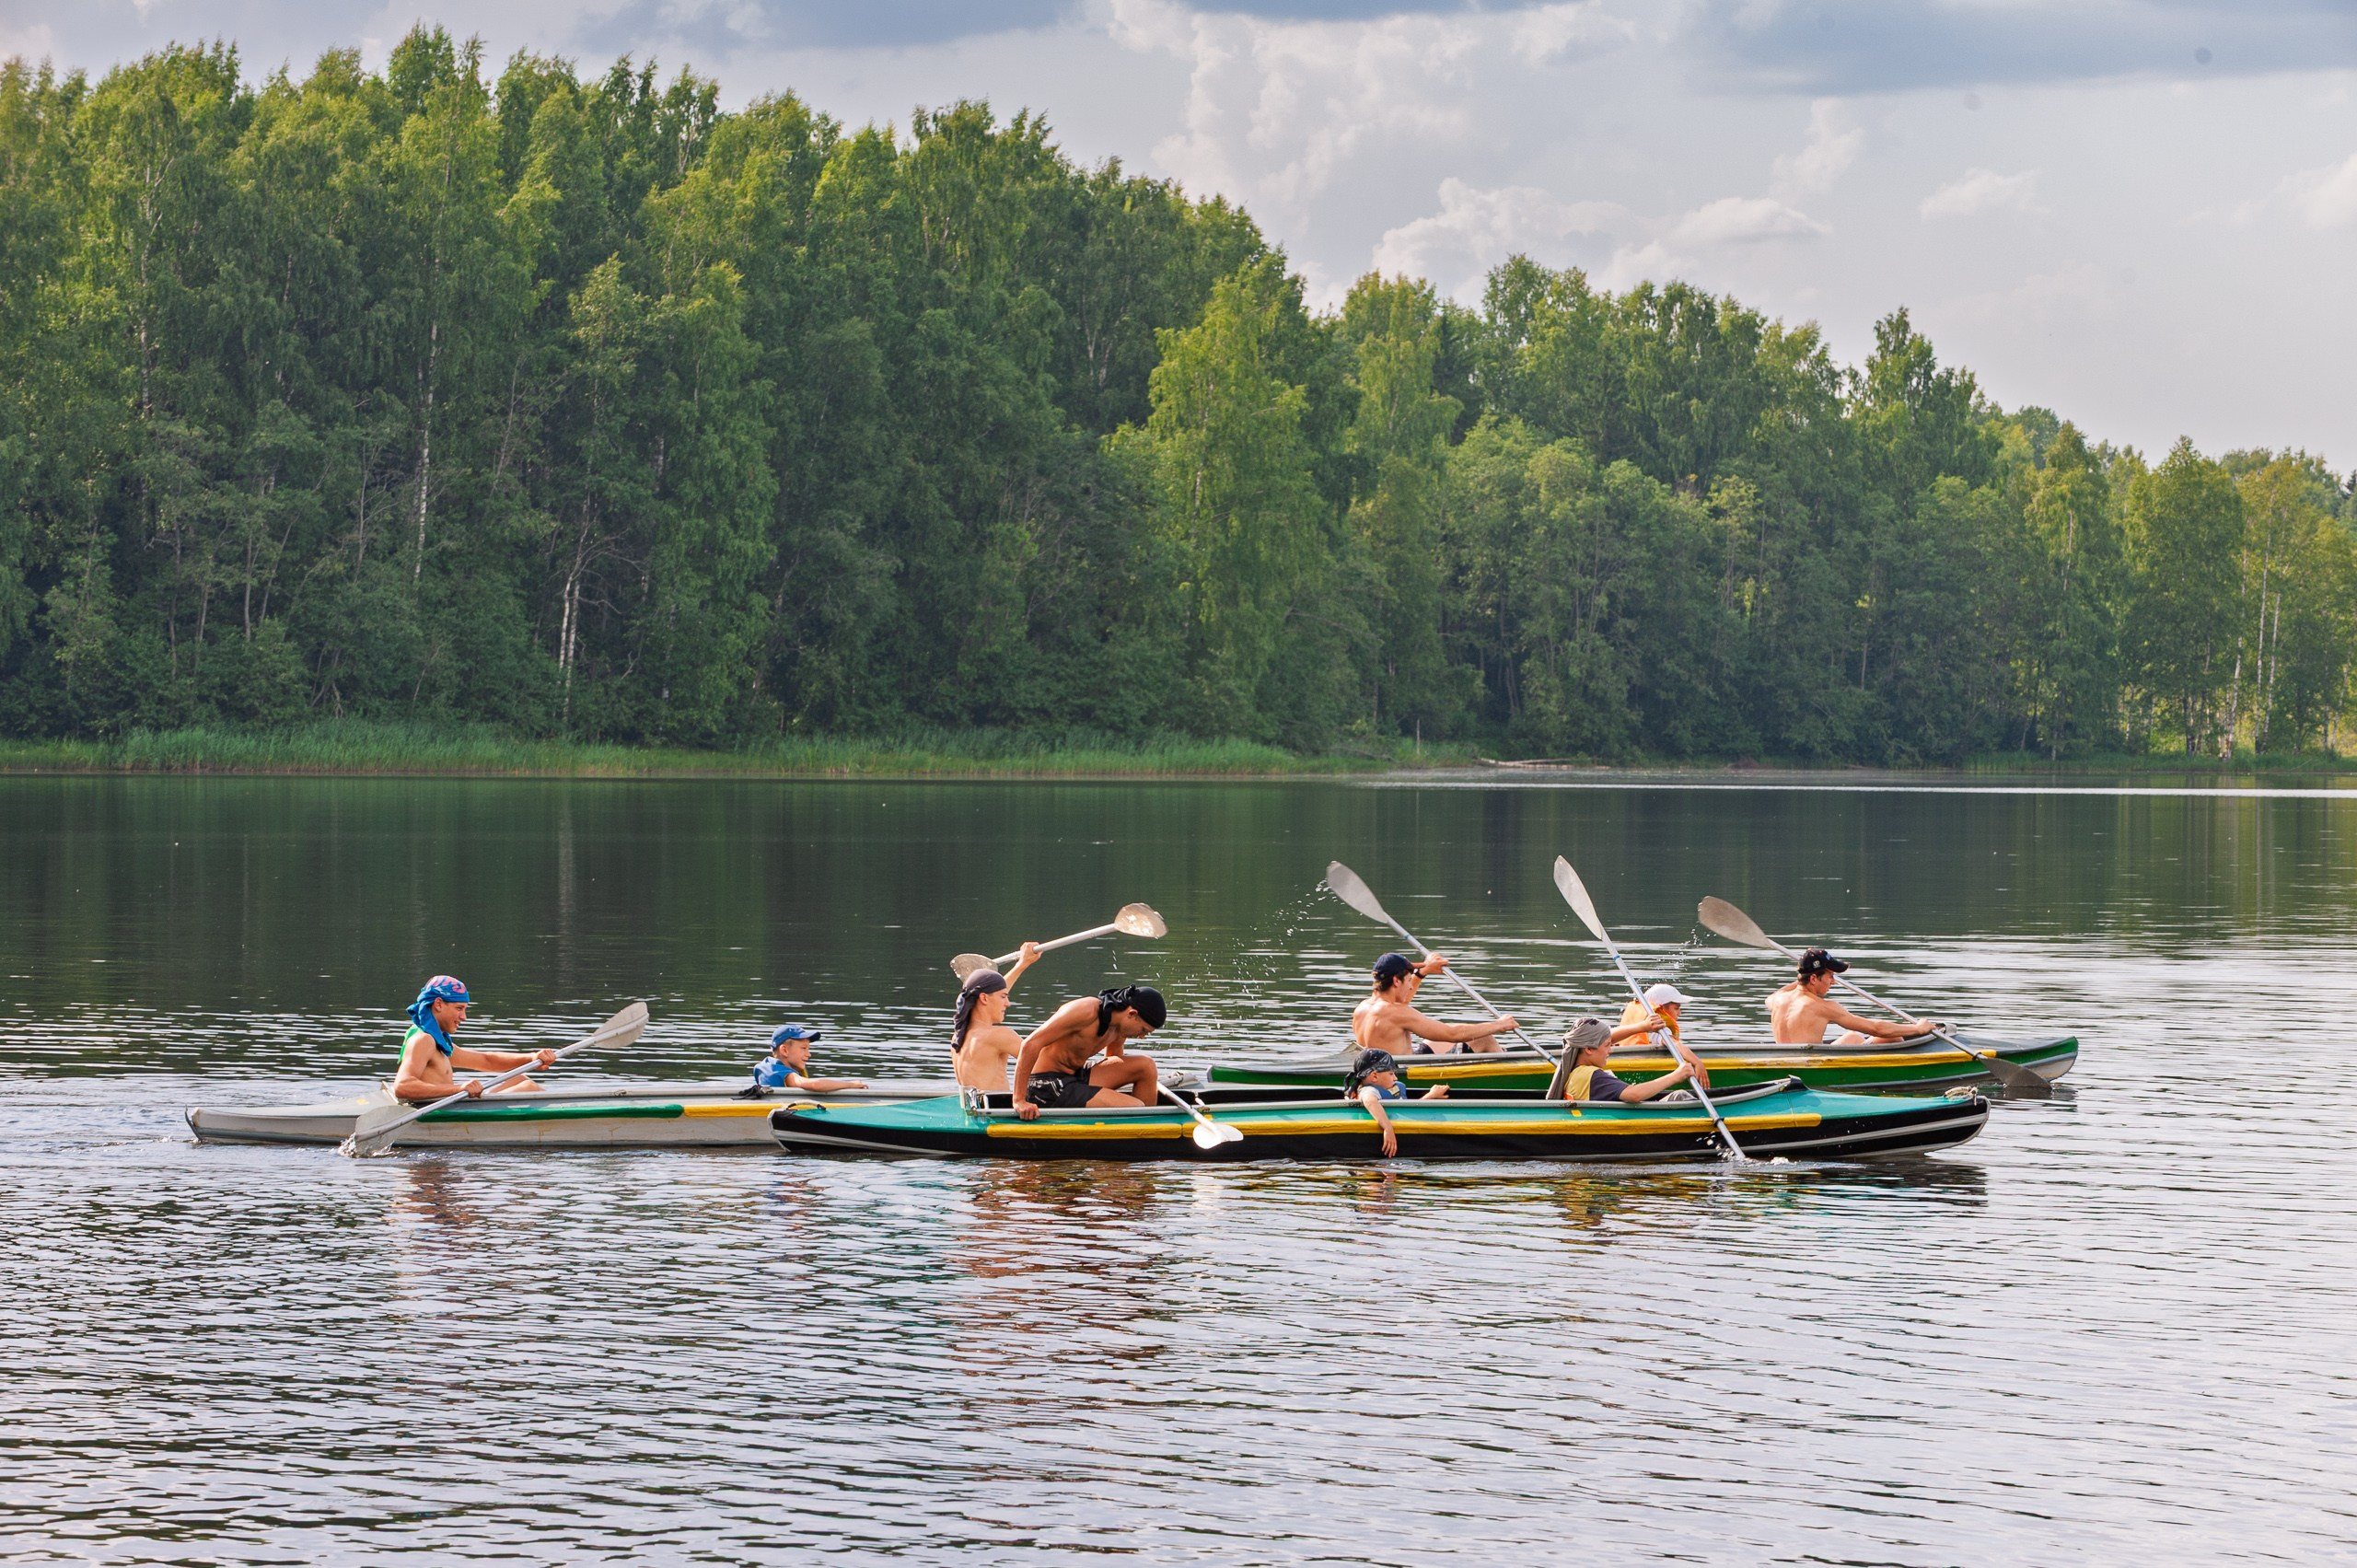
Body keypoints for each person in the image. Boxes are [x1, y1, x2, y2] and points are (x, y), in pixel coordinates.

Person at [389, 975, 555, 1102]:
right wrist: (458, 1089)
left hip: (447, 1107)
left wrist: (532, 1058)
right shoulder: (423, 1040)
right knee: (529, 1087)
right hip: (438, 1114)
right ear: (438, 1004)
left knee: (519, 1079)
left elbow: (486, 1060)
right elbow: (403, 1086)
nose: (464, 1017)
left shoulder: (438, 1040)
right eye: (459, 1008)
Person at [1011, 985, 1166, 1120]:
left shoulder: (1119, 1028)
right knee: (1135, 1107)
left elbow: (1114, 1062)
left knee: (1146, 1066)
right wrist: (1019, 1100)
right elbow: (1030, 1044)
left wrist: (1110, 1098)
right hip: (1046, 1085)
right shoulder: (1086, 1010)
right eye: (1143, 1030)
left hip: (1076, 1076)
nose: (1142, 1036)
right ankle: (1140, 1125)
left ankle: (1150, 1126)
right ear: (1132, 1014)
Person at [1351, 952, 1521, 1057]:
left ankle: (1498, 1053)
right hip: (1404, 1072)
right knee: (1484, 1038)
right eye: (1408, 980)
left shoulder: (1362, 1009)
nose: (1410, 986)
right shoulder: (1397, 1012)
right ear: (1396, 981)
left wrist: (1423, 971)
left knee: (1432, 1040)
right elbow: (1453, 1034)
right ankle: (1509, 1074)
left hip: (1386, 1065)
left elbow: (1400, 1002)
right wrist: (1499, 1025)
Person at [1768, 948, 1941, 1046]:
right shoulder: (1822, 1007)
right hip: (1811, 1066)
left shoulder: (1778, 1000)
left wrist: (1803, 976)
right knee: (1890, 1037)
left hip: (1786, 1061)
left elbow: (1775, 995)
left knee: (1852, 1037)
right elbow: (1876, 1029)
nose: (1833, 982)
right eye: (1830, 976)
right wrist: (1918, 1029)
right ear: (1813, 979)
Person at [950, 941, 1043, 1092]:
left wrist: (1022, 964)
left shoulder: (958, 1037)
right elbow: (1045, 1064)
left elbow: (992, 991)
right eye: (1004, 997)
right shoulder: (998, 1036)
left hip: (971, 1106)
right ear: (984, 999)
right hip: (997, 1107)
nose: (1008, 1003)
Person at [1555, 1018, 1698, 1103]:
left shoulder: (1571, 1066)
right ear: (1588, 1049)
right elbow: (1634, 1094)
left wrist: (1643, 1027)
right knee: (1680, 1096)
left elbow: (1602, 1039)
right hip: (1628, 1123)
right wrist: (1677, 1075)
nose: (1610, 1050)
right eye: (1607, 1046)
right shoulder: (1594, 1076)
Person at [1342, 1047, 1449, 1158]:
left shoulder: (1392, 1088)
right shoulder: (1369, 1091)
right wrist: (1387, 1128)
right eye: (1391, 1074)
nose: (1395, 1078)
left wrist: (1431, 1096)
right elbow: (1370, 1101)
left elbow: (1406, 1112)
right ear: (1374, 1076)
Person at [1617, 981, 1712, 1088]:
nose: (1679, 1013)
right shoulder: (1658, 1027)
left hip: (1627, 1062)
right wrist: (1698, 1063)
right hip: (1641, 1068)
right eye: (1676, 1008)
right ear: (1661, 1008)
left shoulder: (1642, 1020)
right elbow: (1674, 1044)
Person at [755, 1024, 867, 1093]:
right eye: (804, 1048)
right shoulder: (784, 1073)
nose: (809, 1054)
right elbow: (815, 1085)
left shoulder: (769, 1067)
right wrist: (851, 1085)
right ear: (784, 1050)